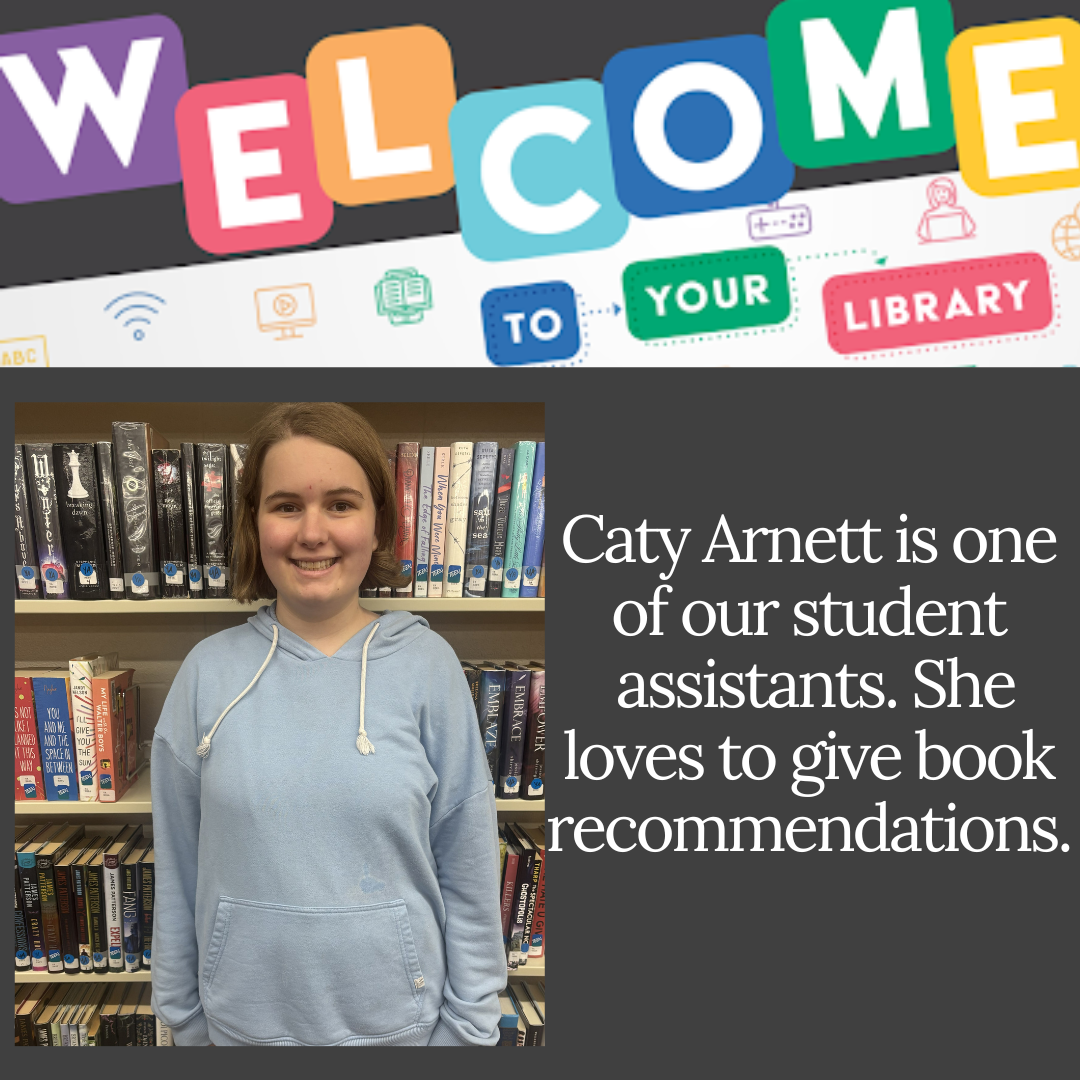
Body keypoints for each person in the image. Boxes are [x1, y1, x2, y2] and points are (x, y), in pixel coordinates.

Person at [150, 402, 507, 1046]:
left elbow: (469, 868)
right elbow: (178, 866)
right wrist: (184, 1021)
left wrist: (469, 1031)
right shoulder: (207, 675)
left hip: (406, 1034)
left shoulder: (429, 669)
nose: (312, 533)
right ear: (253, 525)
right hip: (235, 1032)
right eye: (286, 506)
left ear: (379, 525)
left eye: (341, 504)